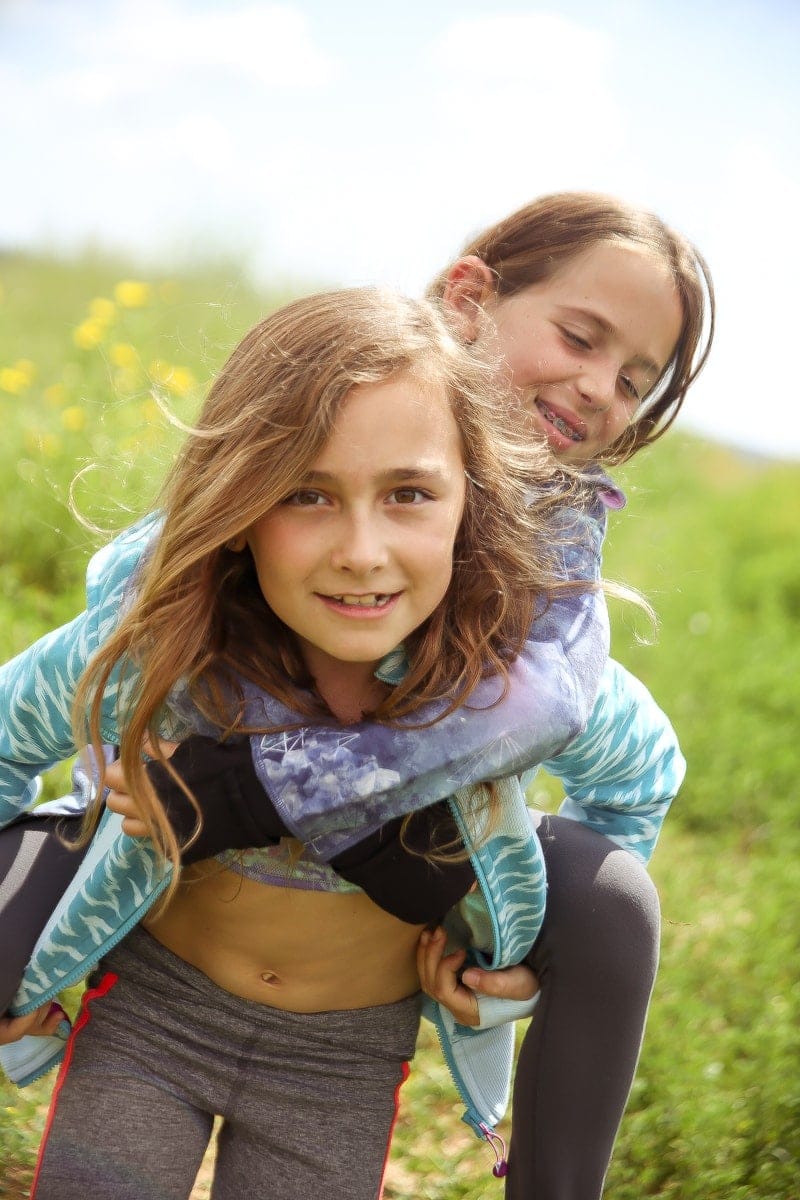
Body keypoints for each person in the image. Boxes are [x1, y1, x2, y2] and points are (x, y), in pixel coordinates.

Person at [0, 192, 714, 1197]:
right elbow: (30, 711)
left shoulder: (534, 661)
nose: (599, 388)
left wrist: (515, 951)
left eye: (633, 378)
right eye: (578, 336)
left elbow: (630, 778)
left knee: (610, 901)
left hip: (335, 1056)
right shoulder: (183, 626)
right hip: (156, 1000)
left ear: (466, 503)